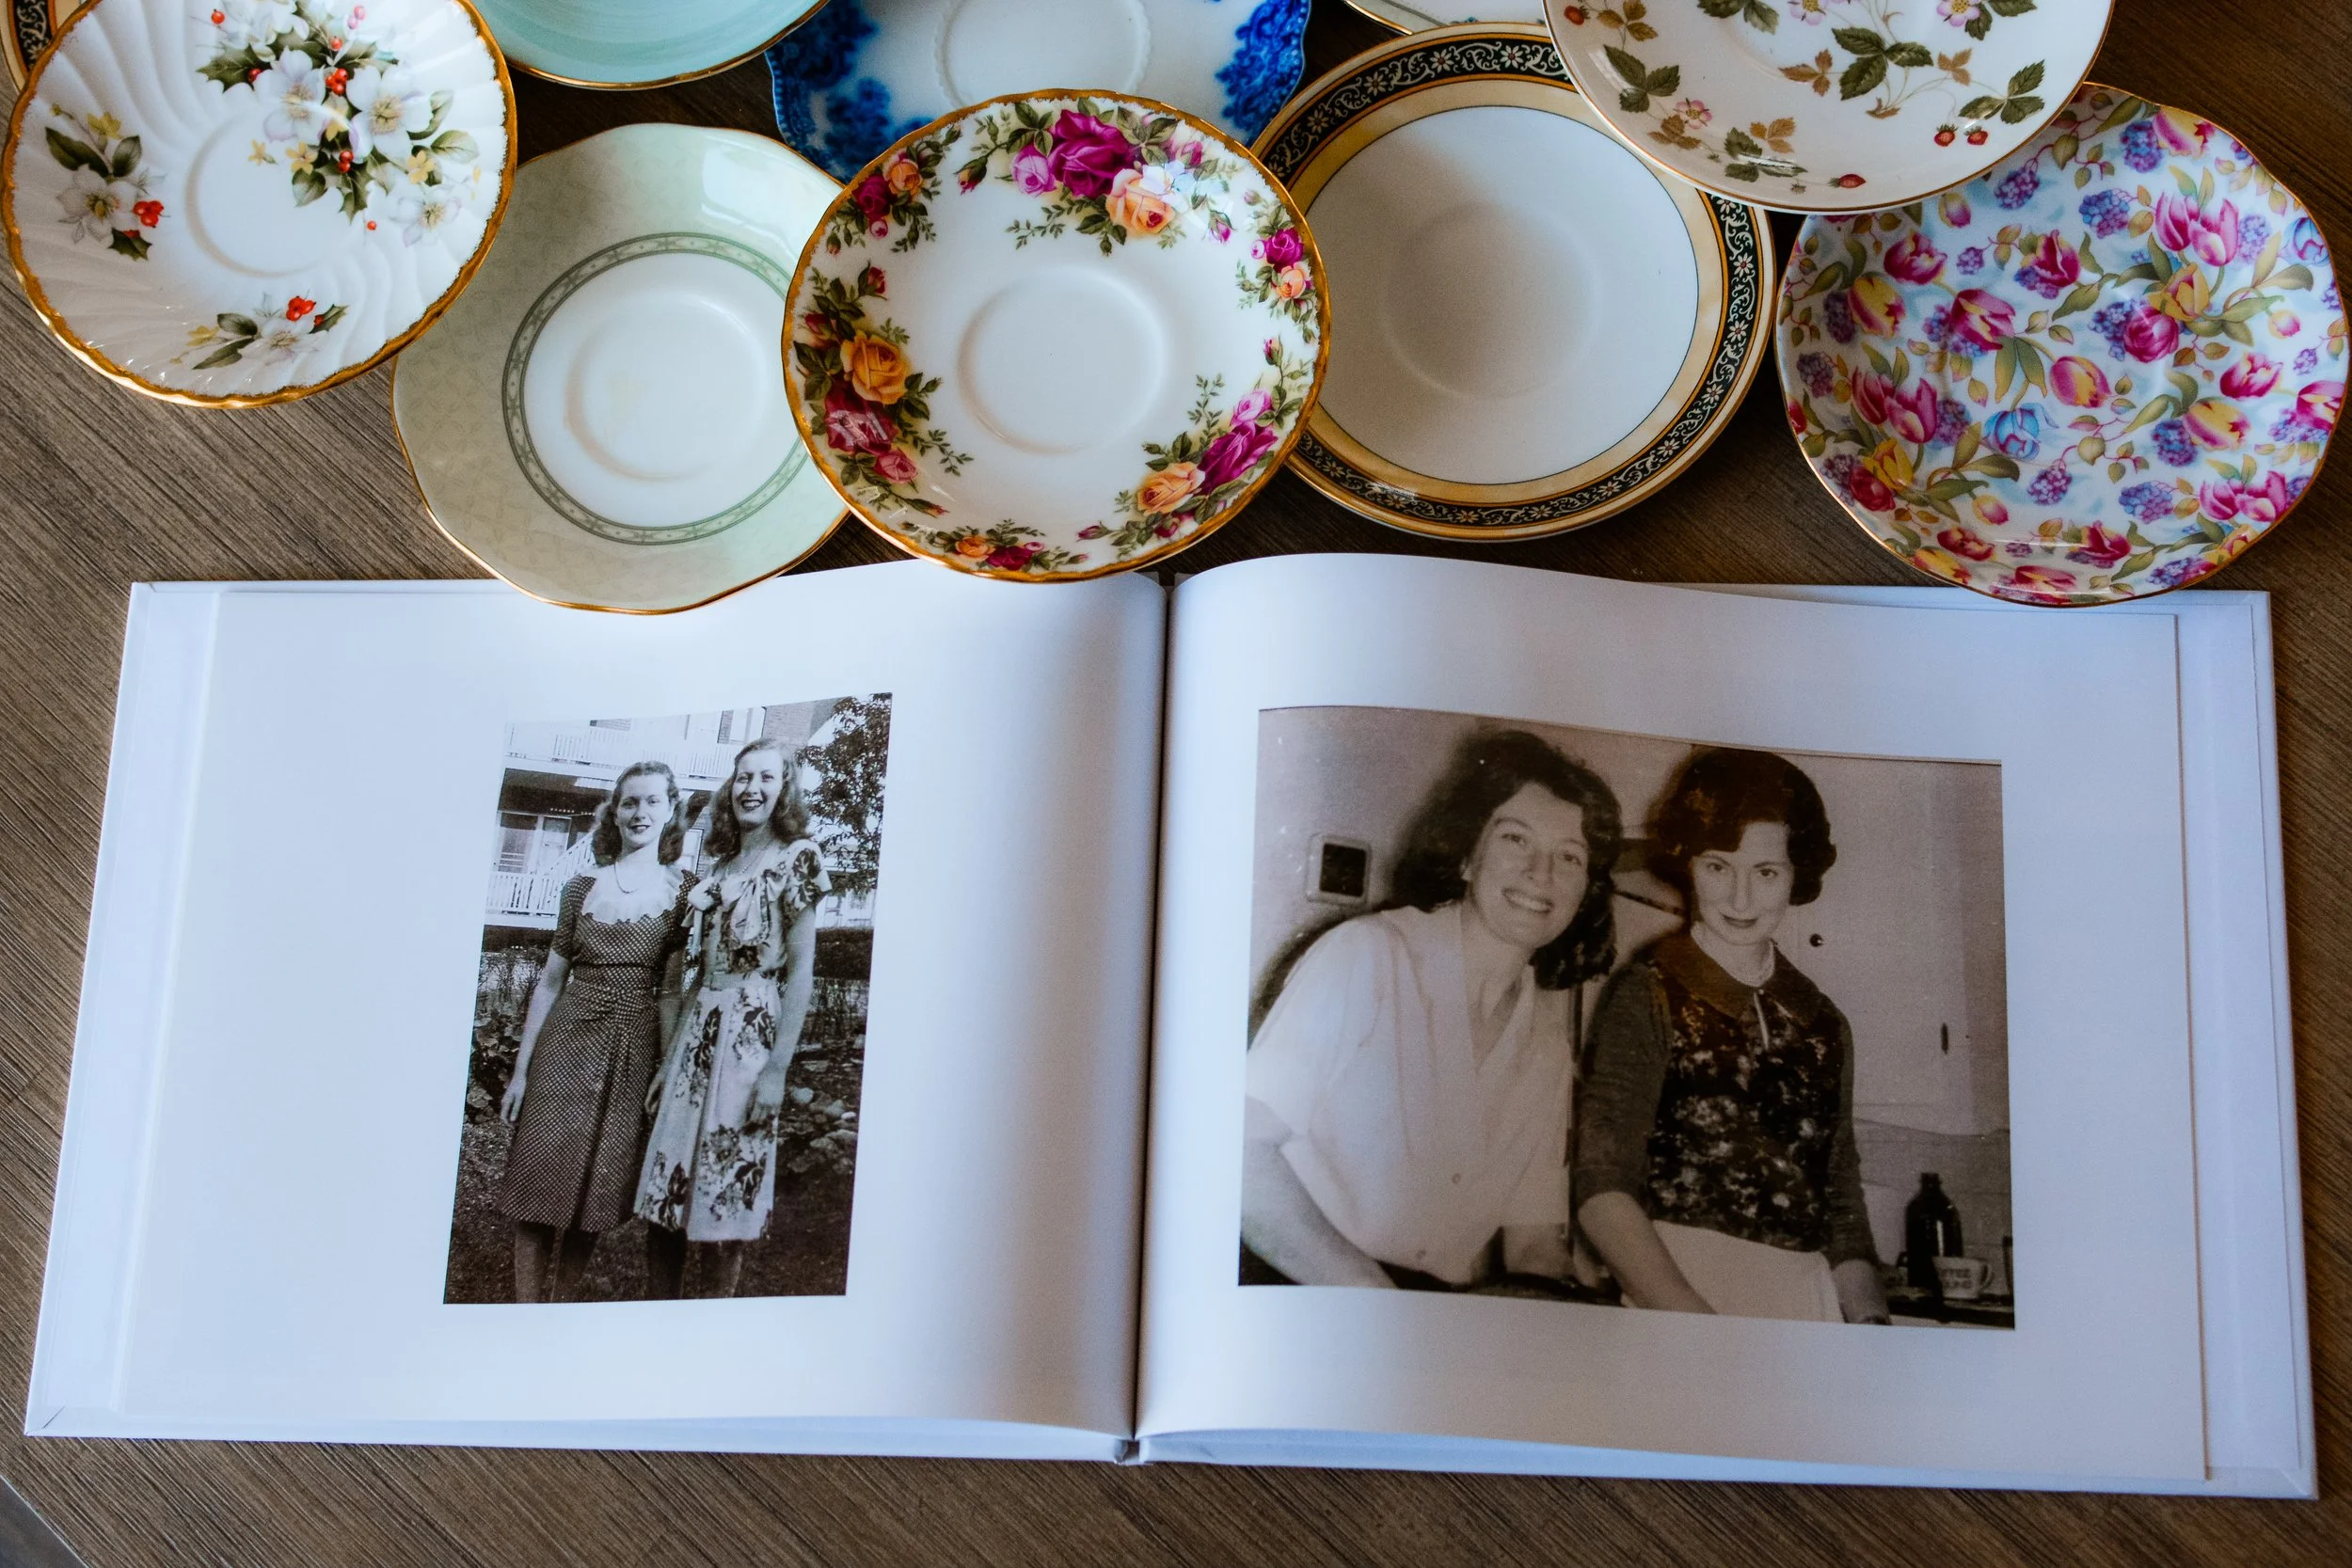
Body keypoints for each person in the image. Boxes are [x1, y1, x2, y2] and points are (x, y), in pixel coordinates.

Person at [1241, 729, 1623, 1291]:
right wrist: (1372, 1294)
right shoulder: (1367, 956)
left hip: (1421, 1309)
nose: (1541, 874)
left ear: (1585, 891)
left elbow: (1534, 1244)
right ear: (1466, 856)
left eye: (1569, 856)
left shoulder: (1547, 1046)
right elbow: (1241, 1156)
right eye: (1516, 839)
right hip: (1297, 1283)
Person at [1574, 747, 1889, 1324]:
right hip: (1676, 1296)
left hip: (1806, 1304)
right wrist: (1698, 1325)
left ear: (1796, 876)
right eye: (1718, 867)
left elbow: (1843, 1212)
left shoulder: (1825, 1023)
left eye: (1766, 872)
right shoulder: (1649, 992)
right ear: (1688, 864)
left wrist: (1872, 1326)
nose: (1741, 899)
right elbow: (1601, 1191)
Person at [635, 737, 830, 1299]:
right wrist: (669, 1063)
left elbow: (801, 971)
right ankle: (657, 1316)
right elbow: (699, 974)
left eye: (766, 778)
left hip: (751, 1034)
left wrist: (777, 1071)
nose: (752, 789)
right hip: (699, 1031)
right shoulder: (719, 867)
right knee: (667, 1193)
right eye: (744, 777)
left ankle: (716, 1320)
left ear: (785, 788)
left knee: (727, 1192)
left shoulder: (800, 857)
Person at [497, 761, 695, 1303]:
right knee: (540, 1171)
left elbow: (671, 990)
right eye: (630, 802)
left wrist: (665, 1066)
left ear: (671, 811)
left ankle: (559, 1307)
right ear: (615, 813)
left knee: (594, 1188)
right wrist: (521, 1073)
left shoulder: (684, 891)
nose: (640, 812)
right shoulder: (580, 888)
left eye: (652, 801)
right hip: (567, 1039)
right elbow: (549, 983)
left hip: (633, 1044)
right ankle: (525, 1310)